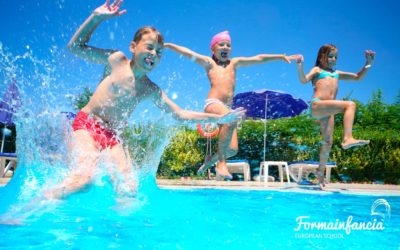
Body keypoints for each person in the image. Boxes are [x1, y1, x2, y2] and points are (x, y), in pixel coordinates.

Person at [45, 0, 245, 199]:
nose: (153, 54)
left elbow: (180, 114)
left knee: (128, 189)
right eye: (149, 47)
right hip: (88, 124)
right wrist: (96, 18)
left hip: (112, 137)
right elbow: (75, 47)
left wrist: (219, 119)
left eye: (159, 52)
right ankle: (37, 203)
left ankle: (121, 229)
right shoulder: (116, 60)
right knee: (84, 180)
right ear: (133, 46)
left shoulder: (150, 89)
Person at [164, 31, 298, 180]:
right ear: (213, 49)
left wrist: (280, 56)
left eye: (228, 45)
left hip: (227, 109)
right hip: (213, 104)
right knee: (232, 119)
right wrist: (169, 46)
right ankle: (221, 164)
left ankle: (210, 161)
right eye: (221, 44)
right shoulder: (209, 63)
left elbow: (258, 58)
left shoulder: (234, 63)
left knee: (233, 149)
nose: (225, 47)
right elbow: (188, 53)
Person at [295, 44, 375, 186]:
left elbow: (357, 77)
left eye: (335, 57)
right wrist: (300, 66)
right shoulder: (317, 70)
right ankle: (347, 138)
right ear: (321, 57)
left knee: (327, 142)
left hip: (328, 111)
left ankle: (319, 174)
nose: (333, 59)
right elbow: (303, 80)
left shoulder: (336, 73)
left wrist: (368, 64)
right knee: (350, 105)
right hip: (318, 104)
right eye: (330, 56)